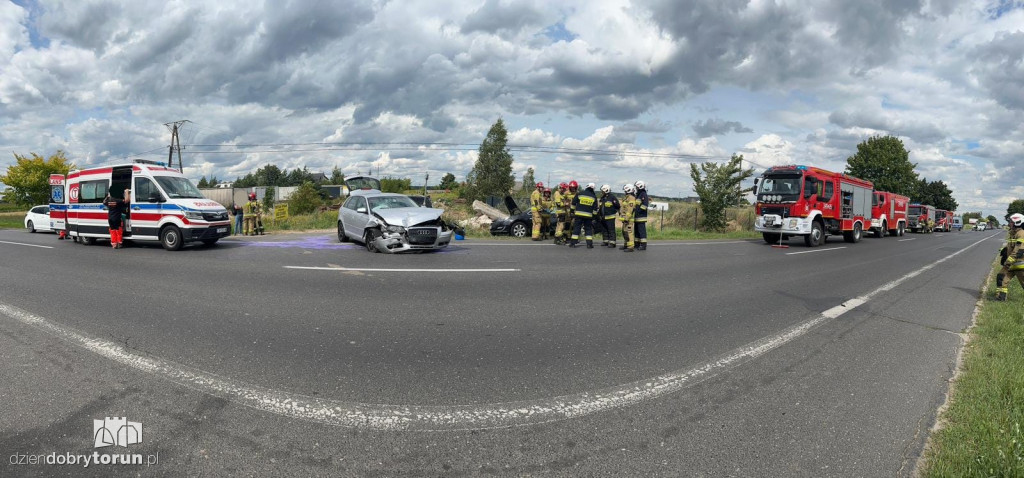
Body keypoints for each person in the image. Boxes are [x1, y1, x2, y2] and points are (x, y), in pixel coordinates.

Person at [996, 213, 1024, 301]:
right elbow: (1012, 247)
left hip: (1020, 266)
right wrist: (1004, 251)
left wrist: (1008, 262)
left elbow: (1019, 251)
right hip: (1012, 265)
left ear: (1017, 222)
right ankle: (1001, 298)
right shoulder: (1013, 233)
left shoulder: (1021, 234)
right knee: (1001, 277)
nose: (1009, 223)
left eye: (1011, 222)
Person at [569, 182, 597, 248]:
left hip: (579, 215)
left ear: (587, 187)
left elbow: (573, 203)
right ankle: (589, 244)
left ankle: (573, 243)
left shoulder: (580, 193)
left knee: (576, 228)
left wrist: (572, 212)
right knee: (588, 229)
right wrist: (594, 217)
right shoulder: (593, 196)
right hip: (588, 216)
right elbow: (595, 209)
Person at [620, 184, 638, 252]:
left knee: (629, 232)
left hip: (629, 219)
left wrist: (626, 218)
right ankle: (626, 245)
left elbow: (630, 209)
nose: (624, 191)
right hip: (625, 219)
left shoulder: (631, 198)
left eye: (625, 190)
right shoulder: (627, 197)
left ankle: (630, 247)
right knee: (624, 232)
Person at [634, 180, 650, 250]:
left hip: (641, 217)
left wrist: (638, 211)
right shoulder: (638, 195)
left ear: (640, 186)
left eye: (636, 187)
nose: (636, 188)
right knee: (636, 232)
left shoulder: (643, 194)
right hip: (637, 217)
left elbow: (645, 205)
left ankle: (643, 245)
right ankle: (637, 244)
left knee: (641, 232)